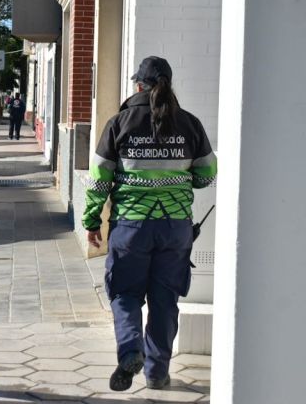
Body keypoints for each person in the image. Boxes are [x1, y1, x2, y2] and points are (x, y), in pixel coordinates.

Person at [82, 56, 217, 392]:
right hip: (175, 229)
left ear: (138, 85)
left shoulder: (120, 123)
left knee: (125, 294)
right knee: (164, 300)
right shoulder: (190, 124)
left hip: (131, 227)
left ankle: (130, 351)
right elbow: (206, 175)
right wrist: (178, 180)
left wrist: (91, 221)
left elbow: (99, 179)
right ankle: (157, 373)